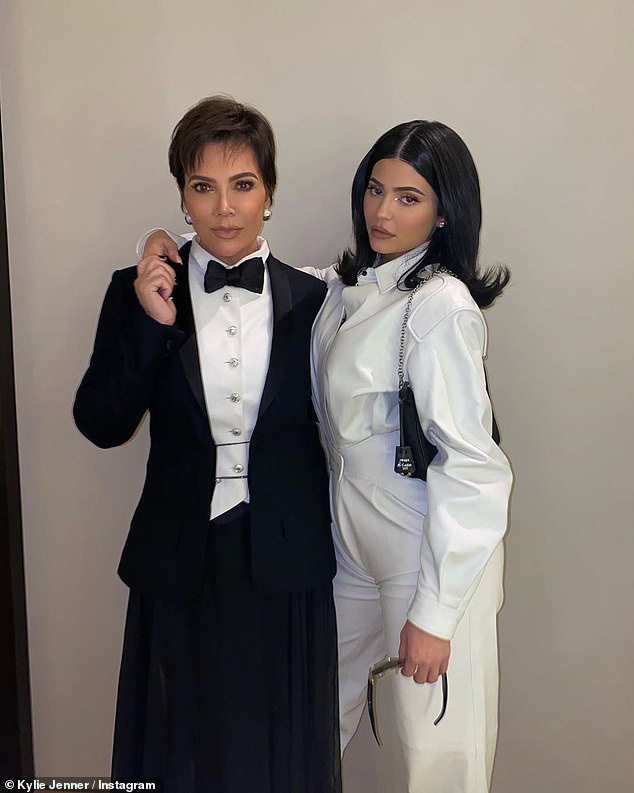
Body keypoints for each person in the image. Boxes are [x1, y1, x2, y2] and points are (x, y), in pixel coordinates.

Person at [143, 119, 513, 792]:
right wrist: (161, 244)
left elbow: (474, 467)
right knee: (308, 725)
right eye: (375, 189)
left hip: (425, 550)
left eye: (408, 197)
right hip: (349, 548)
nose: (382, 211)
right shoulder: (347, 290)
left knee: (437, 758)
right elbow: (252, 271)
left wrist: (436, 613)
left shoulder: (441, 307)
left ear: (444, 212)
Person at [73, 96, 341, 793]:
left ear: (269, 193)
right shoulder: (136, 290)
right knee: (179, 753)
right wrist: (150, 323)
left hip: (284, 562)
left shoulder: (317, 301)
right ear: (183, 198)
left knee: (279, 756)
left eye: (242, 185)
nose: (224, 208)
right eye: (203, 186)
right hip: (178, 559)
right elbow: (100, 423)